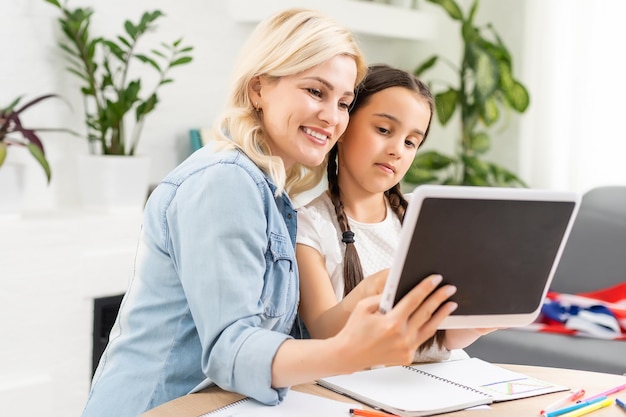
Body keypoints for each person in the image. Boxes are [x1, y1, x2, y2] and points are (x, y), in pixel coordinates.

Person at [81, 10, 459, 417]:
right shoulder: (224, 181)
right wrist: (346, 351)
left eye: (344, 102)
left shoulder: (274, 197)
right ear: (259, 88)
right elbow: (232, 352)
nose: (332, 117)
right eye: (316, 91)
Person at [296, 64, 490, 361]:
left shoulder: (424, 215)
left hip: (440, 378)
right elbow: (322, 332)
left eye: (411, 142)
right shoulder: (309, 225)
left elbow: (445, 339)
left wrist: (481, 322)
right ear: (344, 125)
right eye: (384, 130)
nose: (397, 150)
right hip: (364, 386)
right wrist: (372, 288)